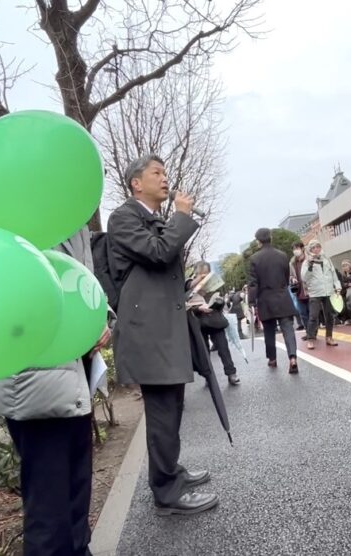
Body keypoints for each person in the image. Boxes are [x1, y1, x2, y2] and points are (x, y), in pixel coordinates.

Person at [0, 236, 111, 556]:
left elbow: (84, 283)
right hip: (34, 379)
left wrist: (99, 319)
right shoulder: (16, 210)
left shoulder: (74, 219)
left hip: (72, 374)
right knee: (50, 512)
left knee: (75, 499)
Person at [107, 154, 217, 515]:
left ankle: (171, 472)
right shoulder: (124, 217)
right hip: (147, 333)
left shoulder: (150, 218)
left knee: (172, 407)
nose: (165, 178)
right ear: (136, 183)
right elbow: (159, 252)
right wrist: (182, 216)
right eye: (157, 173)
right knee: (162, 413)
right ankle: (166, 493)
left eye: (165, 172)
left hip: (161, 330)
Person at [248, 228, 301, 373]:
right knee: (288, 329)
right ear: (270, 238)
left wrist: (251, 302)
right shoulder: (282, 255)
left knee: (269, 331)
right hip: (282, 295)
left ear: (258, 241)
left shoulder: (254, 259)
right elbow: (286, 276)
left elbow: (253, 283)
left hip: (265, 299)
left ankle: (272, 358)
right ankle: (292, 358)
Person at [188, 262, 239, 386]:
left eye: (206, 273)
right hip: (199, 321)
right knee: (204, 351)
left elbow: (223, 302)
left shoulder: (215, 283)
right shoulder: (190, 285)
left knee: (223, 348)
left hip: (215, 320)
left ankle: (231, 373)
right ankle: (208, 376)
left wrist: (217, 303)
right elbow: (187, 305)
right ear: (196, 273)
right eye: (201, 274)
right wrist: (198, 308)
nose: (204, 276)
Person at [302, 239, 342, 349]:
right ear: (310, 250)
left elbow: (333, 273)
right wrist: (310, 266)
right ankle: (310, 338)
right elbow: (304, 278)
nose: (316, 249)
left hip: (328, 291)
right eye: (313, 248)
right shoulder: (307, 262)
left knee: (329, 315)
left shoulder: (327, 260)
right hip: (315, 292)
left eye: (317, 247)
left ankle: (329, 337)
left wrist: (337, 286)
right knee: (313, 316)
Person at [289, 240, 311, 334]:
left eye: (297, 248)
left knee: (312, 314)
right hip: (299, 291)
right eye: (293, 249)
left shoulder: (309, 260)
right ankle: (308, 332)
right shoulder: (292, 263)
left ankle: (312, 332)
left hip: (310, 291)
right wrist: (292, 278)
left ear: (302, 248)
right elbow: (290, 275)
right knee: (303, 314)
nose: (295, 251)